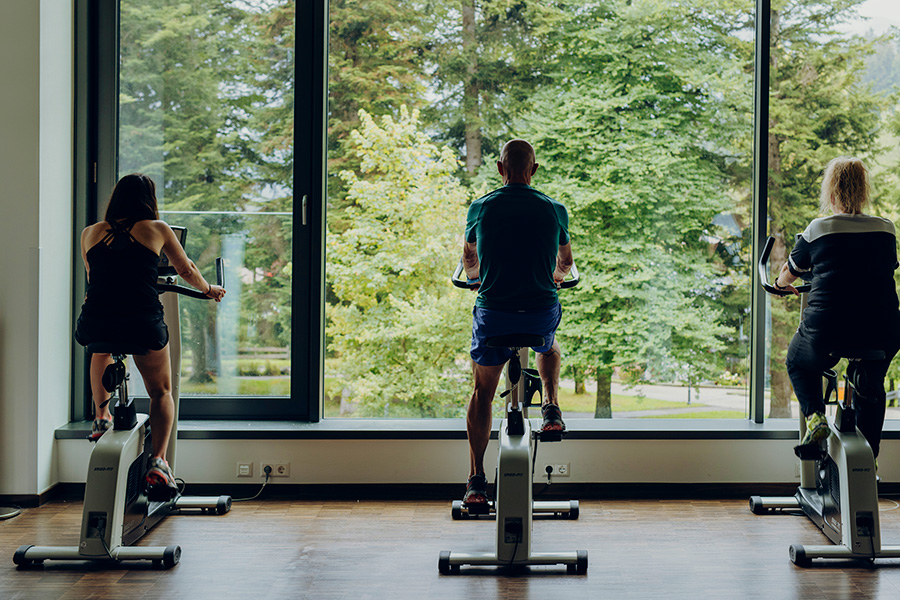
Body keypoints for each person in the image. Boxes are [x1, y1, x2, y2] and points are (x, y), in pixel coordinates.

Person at [75, 173, 225, 495]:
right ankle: (158, 462)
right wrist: (210, 289)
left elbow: (95, 278)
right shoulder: (157, 229)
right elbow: (186, 270)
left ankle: (101, 418)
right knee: (161, 392)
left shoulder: (90, 233)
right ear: (149, 201)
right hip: (141, 323)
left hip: (95, 323)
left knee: (100, 346)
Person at [461, 139, 574, 507]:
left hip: (494, 315)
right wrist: (556, 277)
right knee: (549, 342)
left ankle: (476, 479)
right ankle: (551, 406)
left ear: (499, 168)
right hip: (539, 311)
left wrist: (476, 277)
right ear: (534, 170)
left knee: (482, 392)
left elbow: (469, 255)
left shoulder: (480, 207)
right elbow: (566, 262)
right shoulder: (555, 209)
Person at [773, 156, 900, 458]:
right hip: (883, 331)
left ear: (831, 194)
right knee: (871, 384)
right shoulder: (886, 229)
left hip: (828, 331)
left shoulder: (818, 229)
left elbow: (790, 272)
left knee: (798, 361)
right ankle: (870, 462)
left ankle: (815, 417)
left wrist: (779, 285)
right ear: (863, 192)